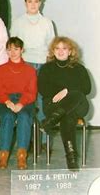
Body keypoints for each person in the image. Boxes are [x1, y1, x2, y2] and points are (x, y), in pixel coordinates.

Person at [10, 0, 55, 148]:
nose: (33, 4)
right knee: (26, 100)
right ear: (25, 3)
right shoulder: (18, 22)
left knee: (43, 100)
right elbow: (13, 46)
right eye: (30, 1)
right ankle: (26, 140)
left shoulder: (47, 23)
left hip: (43, 64)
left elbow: (52, 47)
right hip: (25, 64)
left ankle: (43, 140)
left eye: (36, 1)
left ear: (40, 3)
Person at [38, 37, 90, 170]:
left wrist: (66, 91)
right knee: (67, 117)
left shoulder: (79, 68)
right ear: (53, 51)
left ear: (70, 51)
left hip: (77, 105)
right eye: (57, 48)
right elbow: (43, 89)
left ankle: (50, 122)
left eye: (64, 48)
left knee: (77, 95)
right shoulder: (46, 68)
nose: (61, 51)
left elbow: (87, 88)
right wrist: (62, 93)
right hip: (53, 105)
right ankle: (71, 157)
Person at [0, 37, 37, 170]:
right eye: (10, 49)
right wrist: (7, 102)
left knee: (24, 117)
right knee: (7, 117)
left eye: (16, 49)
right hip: (5, 101)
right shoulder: (0, 69)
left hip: (25, 101)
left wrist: (21, 104)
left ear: (22, 50)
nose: (13, 52)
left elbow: (31, 92)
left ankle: (22, 155)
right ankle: (3, 155)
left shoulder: (30, 70)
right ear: (6, 51)